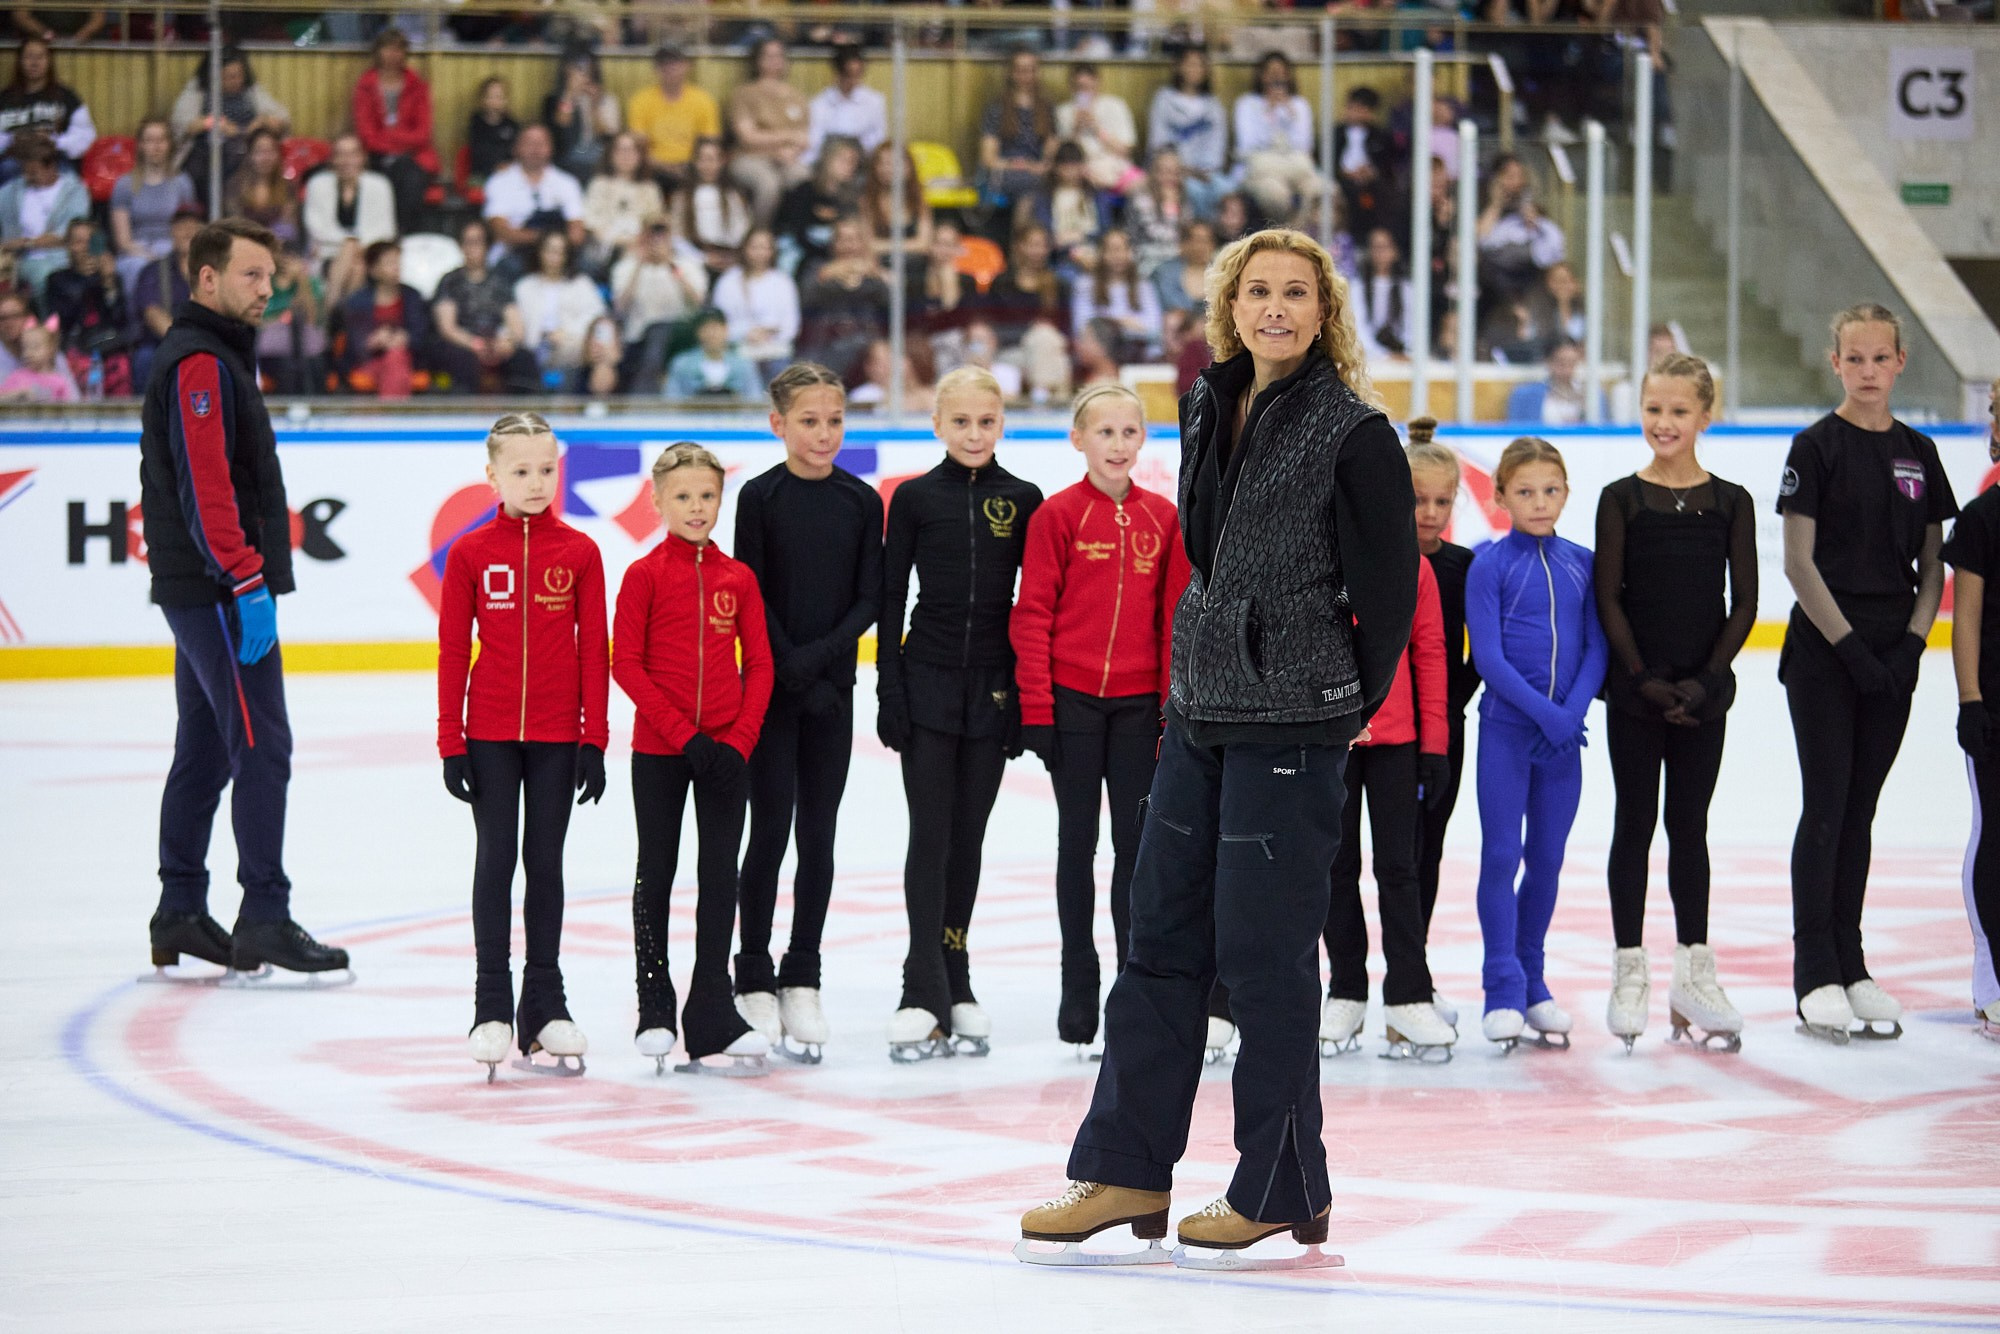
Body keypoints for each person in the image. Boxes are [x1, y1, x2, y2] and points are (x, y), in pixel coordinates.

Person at [1019, 228, 1417, 1266]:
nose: (1273, 308)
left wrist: (1333, 700)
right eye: (1256, 292)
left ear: (1323, 310)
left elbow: (1385, 592)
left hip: (1291, 725)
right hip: (1198, 711)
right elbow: (1204, 546)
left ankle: (1280, 1181)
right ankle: (1126, 1166)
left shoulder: (1352, 429)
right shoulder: (1205, 402)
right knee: (1156, 941)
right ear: (1228, 306)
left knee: (1260, 959)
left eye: (1294, 292)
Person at [139, 216, 350, 983]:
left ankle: (180, 911)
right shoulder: (201, 363)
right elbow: (207, 486)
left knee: (204, 747)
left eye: (271, 276)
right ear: (207, 279)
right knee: (262, 744)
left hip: (202, 585)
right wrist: (246, 578)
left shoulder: (218, 356)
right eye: (254, 275)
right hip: (217, 587)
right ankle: (263, 913)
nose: (270, 289)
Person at [1780, 304, 1956, 1043]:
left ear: (1900, 363)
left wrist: (1912, 645)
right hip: (1828, 651)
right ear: (1836, 363)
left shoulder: (1918, 452)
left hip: (1892, 656)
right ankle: (1813, 969)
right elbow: (1797, 561)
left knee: (1861, 811)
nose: (1868, 372)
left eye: (1880, 359)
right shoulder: (1815, 447)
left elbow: (1932, 563)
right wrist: (1849, 647)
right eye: (1855, 359)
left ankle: (1851, 962)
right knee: (1824, 805)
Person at [1010, 383, 1188, 1048]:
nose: (1118, 445)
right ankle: (1076, 985)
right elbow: (1032, 614)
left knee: (1135, 852)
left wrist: (1172, 706)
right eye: (1105, 433)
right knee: (1075, 844)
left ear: (1144, 441)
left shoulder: (1163, 519)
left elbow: (1174, 618)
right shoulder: (1057, 516)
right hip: (1074, 704)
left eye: (1130, 433)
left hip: (1140, 707)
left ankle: (1130, 989)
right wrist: (1038, 707)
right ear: (1077, 439)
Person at [437, 412, 609, 1079]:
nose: (537, 483)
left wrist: (593, 737)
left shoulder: (581, 553)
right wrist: (451, 739)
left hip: (558, 735)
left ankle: (545, 1002)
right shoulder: (472, 553)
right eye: (521, 471)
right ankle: (491, 1006)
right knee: (496, 860)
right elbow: (454, 649)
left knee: (546, 861)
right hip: (490, 735)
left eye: (547, 469)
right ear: (492, 476)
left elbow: (593, 647)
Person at [879, 366, 1042, 1061]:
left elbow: (1035, 608)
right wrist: (889, 688)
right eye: (961, 422)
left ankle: (957, 972)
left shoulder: (1024, 498)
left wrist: (1026, 699)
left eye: (987, 421)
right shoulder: (914, 500)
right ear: (938, 426)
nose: (975, 434)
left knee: (968, 839)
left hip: (994, 689)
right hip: (928, 681)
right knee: (930, 835)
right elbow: (890, 602)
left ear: (1001, 424)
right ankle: (921, 986)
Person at [1595, 354, 1756, 1053]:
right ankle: (1629, 968)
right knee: (1635, 823)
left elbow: (1745, 599)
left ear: (1705, 417)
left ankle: (1694, 970)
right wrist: (1643, 679)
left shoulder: (1732, 501)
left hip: (1703, 693)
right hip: (1636, 693)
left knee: (1689, 828)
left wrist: (1704, 679)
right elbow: (1608, 594)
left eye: (1678, 411)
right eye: (1653, 409)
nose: (1664, 423)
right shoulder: (1621, 497)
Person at [732, 365, 883, 1061]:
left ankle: (803, 974)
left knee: (817, 837)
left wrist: (820, 662)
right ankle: (752, 972)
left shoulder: (859, 501)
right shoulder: (760, 497)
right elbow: (749, 590)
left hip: (830, 693)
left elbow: (868, 597)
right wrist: (787, 665)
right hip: (770, 689)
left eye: (834, 421)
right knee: (767, 833)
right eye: (809, 421)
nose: (824, 434)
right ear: (778, 425)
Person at [614, 443, 776, 1075]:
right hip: (662, 750)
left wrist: (737, 741)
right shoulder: (644, 575)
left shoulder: (738, 579)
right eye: (682, 496)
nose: (696, 507)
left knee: (720, 877)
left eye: (707, 495)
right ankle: (655, 1003)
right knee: (656, 870)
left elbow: (759, 664)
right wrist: (685, 735)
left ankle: (711, 1009)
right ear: (657, 502)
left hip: (726, 754)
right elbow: (624, 662)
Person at [1467, 437, 1607, 1052]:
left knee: (1547, 860)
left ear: (1567, 494)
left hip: (1561, 740)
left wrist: (1569, 713)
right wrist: (1547, 714)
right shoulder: (1488, 565)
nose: (1539, 502)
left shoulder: (1584, 561)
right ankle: (1500, 985)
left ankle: (1532, 980)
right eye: (1525, 492)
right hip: (1506, 732)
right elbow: (1490, 659)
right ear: (1500, 498)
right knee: (1502, 855)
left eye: (1551, 491)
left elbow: (1598, 645)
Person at [1316, 516, 1451, 1061]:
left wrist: (1435, 746)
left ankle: (1409, 992)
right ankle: (1346, 988)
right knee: (1335, 865)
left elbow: (1431, 653)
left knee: (1400, 868)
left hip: (1398, 744)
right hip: (1330, 740)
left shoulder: (1412, 568)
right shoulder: (1316, 564)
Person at [1403, 420, 1479, 1020]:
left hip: (1441, 731)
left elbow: (1483, 650)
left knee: (1424, 854)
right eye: (1417, 500)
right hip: (1373, 732)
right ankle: (1344, 982)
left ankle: (1414, 976)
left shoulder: (1464, 566)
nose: (1429, 514)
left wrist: (1450, 701)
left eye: (1442, 502)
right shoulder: (1375, 561)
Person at [1942, 381, 2000, 1044]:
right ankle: (1991, 977)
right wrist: (1970, 700)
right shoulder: (1983, 517)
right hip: (1994, 700)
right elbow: (1968, 620)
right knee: (1995, 831)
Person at [171, 47, 290, 206]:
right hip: (205, 158)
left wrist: (262, 121)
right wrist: (214, 123)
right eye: (228, 76)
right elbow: (181, 124)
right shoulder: (198, 91)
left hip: (245, 155)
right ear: (213, 76)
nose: (236, 80)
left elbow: (283, 120)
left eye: (239, 75)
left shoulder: (251, 91)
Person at [431, 216, 537, 395]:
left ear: (487, 246)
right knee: (462, 360)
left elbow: (516, 325)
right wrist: (475, 344)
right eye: (467, 242)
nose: (472, 248)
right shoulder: (450, 281)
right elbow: (447, 328)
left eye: (477, 242)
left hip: (496, 342)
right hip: (463, 344)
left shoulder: (500, 281)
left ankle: (525, 416)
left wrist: (507, 342)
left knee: (524, 358)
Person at [351, 28, 439, 234]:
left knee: (410, 175)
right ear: (378, 52)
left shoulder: (418, 86)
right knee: (393, 175)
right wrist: (396, 142)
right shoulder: (365, 85)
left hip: (414, 157)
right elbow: (367, 135)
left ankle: (405, 235)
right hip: (376, 157)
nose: (393, 54)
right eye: (388, 48)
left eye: (398, 49)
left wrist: (390, 136)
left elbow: (423, 134)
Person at [609, 212, 707, 393]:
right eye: (651, 233)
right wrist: (640, 265)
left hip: (681, 336)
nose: (656, 239)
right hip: (637, 340)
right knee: (656, 333)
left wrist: (670, 263)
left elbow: (699, 302)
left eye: (662, 233)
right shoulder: (626, 267)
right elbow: (620, 307)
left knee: (660, 333)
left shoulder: (686, 265)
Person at [302, 134, 396, 311]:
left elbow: (386, 229)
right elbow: (315, 226)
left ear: (362, 158)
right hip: (327, 252)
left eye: (353, 154)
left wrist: (356, 244)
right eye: (340, 154)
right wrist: (351, 242)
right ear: (333, 159)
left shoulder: (380, 185)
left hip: (367, 253)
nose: (347, 161)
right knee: (352, 256)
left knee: (358, 265)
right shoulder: (317, 184)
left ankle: (329, 316)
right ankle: (345, 327)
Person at [728, 38, 811, 228]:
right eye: (769, 55)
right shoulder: (745, 93)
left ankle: (795, 236)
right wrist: (787, 138)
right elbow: (748, 137)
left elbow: (804, 138)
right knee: (769, 184)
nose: (775, 60)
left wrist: (791, 151)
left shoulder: (796, 96)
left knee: (802, 178)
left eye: (779, 55)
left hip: (787, 158)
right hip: (749, 158)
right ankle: (759, 236)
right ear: (757, 60)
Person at [41, 218, 130, 394]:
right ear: (69, 246)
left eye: (91, 241)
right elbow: (64, 319)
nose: (85, 247)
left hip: (109, 347)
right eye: (78, 241)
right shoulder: (57, 279)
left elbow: (120, 319)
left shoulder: (111, 278)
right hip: (76, 348)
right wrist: (88, 280)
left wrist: (108, 283)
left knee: (121, 365)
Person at [1232, 53, 1321, 228]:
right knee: (1276, 195)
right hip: (1263, 169)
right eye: (1270, 72)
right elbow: (1247, 146)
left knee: (1320, 190)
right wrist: (1268, 113)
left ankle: (1296, 232)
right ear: (1261, 76)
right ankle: (1289, 234)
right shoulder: (1247, 104)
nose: (1276, 76)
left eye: (1281, 72)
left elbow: (1305, 146)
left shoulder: (1299, 105)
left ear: (1288, 76)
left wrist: (1289, 114)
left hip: (1295, 166)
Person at [335, 239, 433, 398]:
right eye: (389, 263)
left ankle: (387, 416)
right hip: (367, 361)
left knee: (396, 357)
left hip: (405, 360)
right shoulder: (357, 301)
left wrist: (404, 339)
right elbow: (353, 342)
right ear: (374, 270)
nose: (396, 267)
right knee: (395, 359)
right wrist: (374, 341)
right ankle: (395, 416)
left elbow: (421, 336)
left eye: (397, 262)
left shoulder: (413, 297)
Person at [796, 215, 888, 381]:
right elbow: (807, 296)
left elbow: (888, 302)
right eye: (843, 239)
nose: (849, 245)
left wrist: (877, 275)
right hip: (826, 341)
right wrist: (831, 271)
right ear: (834, 243)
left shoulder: (874, 271)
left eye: (854, 239)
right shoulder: (816, 267)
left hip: (866, 342)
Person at [111, 119, 197, 298]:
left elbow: (190, 229)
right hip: (137, 249)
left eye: (161, 140)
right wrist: (149, 257)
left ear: (169, 145)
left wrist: (169, 256)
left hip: (174, 247)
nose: (156, 146)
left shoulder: (182, 183)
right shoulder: (124, 185)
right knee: (137, 268)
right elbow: (123, 240)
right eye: (150, 140)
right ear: (141, 145)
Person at [514, 229, 607, 391]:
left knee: (589, 349)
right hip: (534, 347)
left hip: (572, 344)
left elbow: (598, 318)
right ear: (540, 252)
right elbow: (515, 322)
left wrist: (566, 333)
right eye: (549, 250)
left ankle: (569, 405)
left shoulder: (581, 284)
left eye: (559, 251)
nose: (553, 256)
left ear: (567, 255)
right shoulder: (524, 286)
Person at [481, 124, 587, 268]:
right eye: (529, 143)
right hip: (513, 253)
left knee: (588, 266)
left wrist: (552, 246)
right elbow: (501, 232)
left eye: (541, 143)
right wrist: (545, 238)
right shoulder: (499, 182)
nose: (535, 149)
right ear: (516, 148)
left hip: (560, 256)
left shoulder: (567, 183)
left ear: (551, 148)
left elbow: (577, 234)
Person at [0, 133, 87, 298]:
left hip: (64, 257)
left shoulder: (74, 190)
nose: (28, 177)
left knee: (48, 276)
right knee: (40, 273)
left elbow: (68, 233)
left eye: (34, 172)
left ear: (51, 166)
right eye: (25, 172)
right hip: (21, 260)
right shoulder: (11, 191)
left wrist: (27, 243)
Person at [1147, 47, 1228, 220]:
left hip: (1207, 172)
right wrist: (1182, 170)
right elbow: (1158, 144)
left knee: (1226, 189)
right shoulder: (1164, 99)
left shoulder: (1213, 104)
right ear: (1178, 67)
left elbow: (1217, 147)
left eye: (1199, 65)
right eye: (1189, 64)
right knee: (1192, 190)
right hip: (1173, 171)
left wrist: (1205, 171)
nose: (1194, 69)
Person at [1477, 154, 1564, 310]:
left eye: (1520, 176)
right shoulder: (1481, 204)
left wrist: (1533, 221)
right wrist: (1496, 204)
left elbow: (1550, 245)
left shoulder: (1531, 209)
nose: (1516, 182)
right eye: (1509, 176)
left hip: (1525, 276)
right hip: (1492, 277)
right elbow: (1482, 239)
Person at [626, 45, 719, 192]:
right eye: (663, 64)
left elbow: (709, 140)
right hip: (654, 167)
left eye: (675, 63)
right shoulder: (641, 100)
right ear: (656, 69)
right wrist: (665, 166)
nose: (669, 68)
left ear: (687, 66)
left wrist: (694, 164)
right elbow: (638, 145)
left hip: (692, 166)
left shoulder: (703, 100)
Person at [711, 226, 798, 381]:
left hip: (775, 351)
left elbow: (791, 326)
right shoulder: (729, 281)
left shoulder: (783, 281)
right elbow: (718, 323)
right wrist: (746, 333)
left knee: (781, 372)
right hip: (737, 348)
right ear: (744, 248)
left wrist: (767, 335)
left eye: (765, 247)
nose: (760, 253)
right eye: (755, 247)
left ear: (773, 251)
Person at [775, 134, 861, 281]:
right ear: (828, 160)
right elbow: (798, 233)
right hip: (801, 250)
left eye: (853, 162)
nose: (849, 167)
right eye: (844, 160)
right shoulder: (804, 191)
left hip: (837, 253)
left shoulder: (851, 198)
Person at [0, 37, 95, 170]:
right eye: (29, 57)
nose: (34, 63)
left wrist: (54, 141)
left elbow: (86, 137)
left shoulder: (67, 97)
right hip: (13, 161)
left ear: (49, 62)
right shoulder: (4, 98)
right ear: (20, 61)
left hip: (54, 161)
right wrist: (12, 140)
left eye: (40, 57)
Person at [979, 50, 1057, 210]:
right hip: (1006, 169)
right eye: (1020, 70)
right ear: (1011, 73)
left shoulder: (1047, 107)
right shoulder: (997, 108)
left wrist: (1044, 165)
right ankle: (1024, 232)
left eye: (1031, 70)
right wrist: (1021, 165)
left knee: (1053, 181)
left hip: (1037, 170)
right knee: (1028, 186)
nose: (1026, 76)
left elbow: (1052, 151)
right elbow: (988, 159)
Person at [132, 205, 200, 389]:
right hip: (164, 344)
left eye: (194, 226)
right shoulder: (154, 272)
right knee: (145, 358)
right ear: (171, 232)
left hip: (206, 344)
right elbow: (152, 313)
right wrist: (187, 344)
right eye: (181, 226)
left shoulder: (216, 274)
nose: (188, 231)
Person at [670, 137, 752, 288]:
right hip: (696, 259)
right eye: (702, 159)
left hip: (729, 258)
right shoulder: (682, 198)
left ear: (722, 162)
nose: (708, 165)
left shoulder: (733, 196)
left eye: (713, 159)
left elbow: (743, 230)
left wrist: (731, 257)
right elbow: (676, 238)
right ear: (695, 162)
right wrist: (703, 258)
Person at [581, 131, 667, 274]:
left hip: (640, 247)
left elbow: (655, 223)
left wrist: (639, 242)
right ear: (610, 154)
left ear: (640, 156)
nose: (626, 155)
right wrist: (620, 242)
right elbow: (591, 223)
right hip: (605, 248)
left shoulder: (650, 188)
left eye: (632, 150)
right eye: (621, 150)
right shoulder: (598, 184)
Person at [1016, 142, 1106, 275]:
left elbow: (1106, 230)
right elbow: (1043, 231)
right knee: (1067, 275)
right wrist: (1063, 244)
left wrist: (1082, 236)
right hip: (1060, 257)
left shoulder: (1098, 196)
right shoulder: (1044, 198)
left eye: (1075, 166)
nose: (1070, 172)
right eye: (1066, 167)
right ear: (1056, 168)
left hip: (1094, 252)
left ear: (1082, 166)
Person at [1071, 229, 1161, 360]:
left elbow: (1154, 330)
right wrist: (1124, 323)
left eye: (1123, 249)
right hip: (1101, 355)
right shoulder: (1085, 285)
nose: (1118, 256)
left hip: (1138, 353)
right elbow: (1082, 327)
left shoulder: (1144, 286)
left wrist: (1112, 323)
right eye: (1112, 250)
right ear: (1101, 253)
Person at [979, 221, 1069, 351]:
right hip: (1010, 349)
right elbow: (991, 325)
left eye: (1044, 246)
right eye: (1033, 245)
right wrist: (1029, 330)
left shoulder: (1058, 285)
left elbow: (1064, 329)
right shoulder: (1002, 283)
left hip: (1046, 349)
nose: (1039, 251)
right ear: (1020, 246)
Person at [1056, 63, 1141, 197]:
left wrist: (1097, 129)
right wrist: (1075, 129)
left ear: (1097, 83)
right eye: (1079, 88)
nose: (1083, 92)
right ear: (1071, 88)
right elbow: (1063, 156)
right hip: (1081, 170)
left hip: (1115, 166)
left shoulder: (1115, 106)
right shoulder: (1064, 112)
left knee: (1142, 185)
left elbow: (1126, 151)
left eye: (1088, 87)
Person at [542, 47, 620, 185]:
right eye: (578, 68)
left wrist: (594, 106)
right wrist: (570, 95)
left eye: (587, 68)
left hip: (597, 158)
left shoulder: (607, 100)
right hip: (566, 158)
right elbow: (560, 128)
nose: (584, 73)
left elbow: (606, 137)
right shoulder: (553, 101)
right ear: (567, 70)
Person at [256, 243, 326, 397]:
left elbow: (312, 319)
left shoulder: (310, 282)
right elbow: (258, 319)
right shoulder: (263, 283)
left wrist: (301, 281)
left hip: (305, 349)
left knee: (313, 364)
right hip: (270, 350)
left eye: (292, 257)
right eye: (284, 256)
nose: (287, 261)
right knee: (287, 366)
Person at [1333, 87, 1396, 243]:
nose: (1355, 112)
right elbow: (1327, 161)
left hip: (1371, 184)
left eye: (1360, 108)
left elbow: (1386, 165)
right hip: (1342, 180)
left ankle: (1377, 238)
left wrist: (1371, 172)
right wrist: (1344, 173)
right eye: (1352, 107)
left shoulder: (1380, 136)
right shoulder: (1336, 133)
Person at [806, 44, 885, 164]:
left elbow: (878, 139)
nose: (853, 81)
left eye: (858, 74)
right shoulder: (819, 103)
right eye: (848, 75)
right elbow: (815, 141)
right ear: (837, 73)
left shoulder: (874, 101)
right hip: (830, 162)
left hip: (863, 161)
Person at [223, 129, 300, 251]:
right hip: (244, 249)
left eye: (270, 151)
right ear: (250, 155)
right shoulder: (235, 186)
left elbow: (289, 229)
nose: (266, 158)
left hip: (279, 249)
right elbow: (234, 226)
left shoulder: (288, 187)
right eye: (259, 152)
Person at [1125, 148, 1195, 279]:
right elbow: (1153, 234)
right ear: (1154, 173)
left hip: (1177, 261)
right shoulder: (1140, 198)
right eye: (1165, 172)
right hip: (1145, 258)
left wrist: (1174, 206)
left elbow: (1186, 233)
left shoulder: (1184, 201)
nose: (1171, 178)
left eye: (1176, 173)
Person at [664, 306, 758, 402]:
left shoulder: (743, 365)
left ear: (726, 330)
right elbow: (672, 399)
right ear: (698, 332)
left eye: (715, 327)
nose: (711, 333)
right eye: (706, 328)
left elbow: (754, 399)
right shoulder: (682, 364)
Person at [858, 142, 930, 263]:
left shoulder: (919, 200)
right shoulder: (867, 202)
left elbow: (924, 244)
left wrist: (883, 246)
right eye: (881, 163)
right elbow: (867, 244)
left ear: (908, 167)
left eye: (892, 163)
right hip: (881, 266)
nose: (886, 169)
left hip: (916, 263)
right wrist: (912, 245)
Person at [1505, 338, 1602, 424]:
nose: (1567, 370)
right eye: (1561, 363)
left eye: (1572, 363)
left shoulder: (1593, 395)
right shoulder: (1525, 396)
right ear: (1548, 361)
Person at [1353, 227, 1414, 361]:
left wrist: (1405, 352)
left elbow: (1412, 327)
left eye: (1384, 247)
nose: (1380, 253)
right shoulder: (1357, 288)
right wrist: (1384, 355)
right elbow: (1359, 328)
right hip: (1369, 358)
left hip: (1404, 357)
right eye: (1375, 247)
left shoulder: (1407, 289)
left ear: (1395, 251)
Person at [1152, 218, 1215, 324]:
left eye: (1206, 240)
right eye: (1197, 240)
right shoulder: (1164, 273)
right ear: (1184, 244)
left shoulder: (1223, 275)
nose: (1201, 246)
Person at [0, 315, 72, 400]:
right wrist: (18, 394)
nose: (28, 353)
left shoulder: (59, 382)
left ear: (50, 349)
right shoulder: (17, 377)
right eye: (25, 347)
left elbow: (66, 409)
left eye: (35, 347)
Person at [465, 76, 520, 186]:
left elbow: (517, 152)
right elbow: (478, 152)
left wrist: (507, 166)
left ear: (506, 100)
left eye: (499, 97)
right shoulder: (476, 123)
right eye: (490, 97)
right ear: (482, 100)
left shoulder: (512, 125)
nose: (494, 101)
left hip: (508, 173)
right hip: (482, 174)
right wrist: (495, 166)